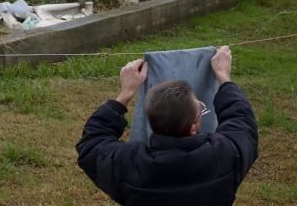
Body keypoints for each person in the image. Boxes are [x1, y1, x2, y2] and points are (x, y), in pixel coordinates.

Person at [76, 46, 258, 206]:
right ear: (193, 127)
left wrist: (125, 93)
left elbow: (92, 142)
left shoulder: (130, 166)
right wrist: (224, 77)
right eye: (200, 108)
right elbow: (242, 121)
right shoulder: (225, 156)